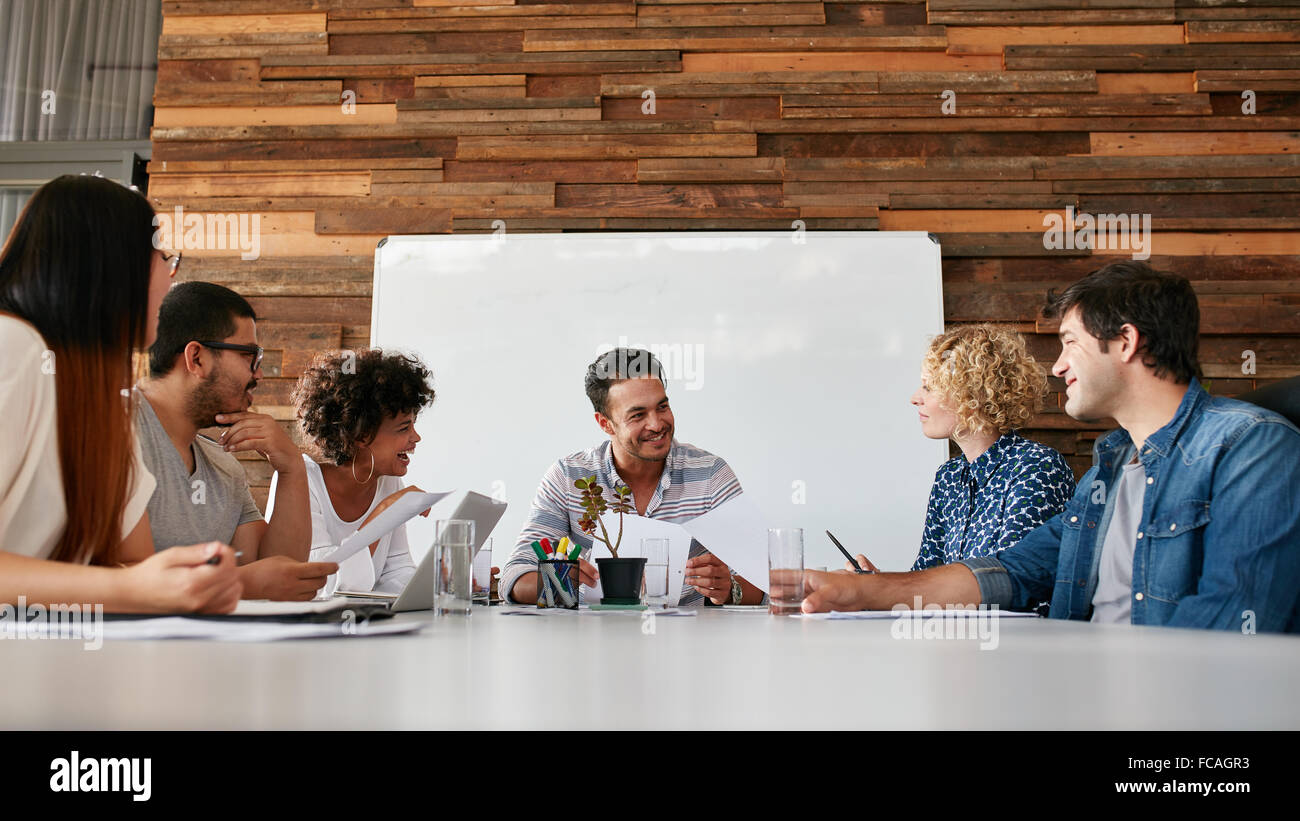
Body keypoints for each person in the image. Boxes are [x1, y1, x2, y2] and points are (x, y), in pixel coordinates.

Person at [804, 261, 1300, 633]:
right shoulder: (1108, 467)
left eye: (1069, 343)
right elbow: (1014, 572)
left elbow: (1233, 629)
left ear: (1125, 342)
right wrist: (862, 591)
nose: (1058, 367)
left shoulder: (1252, 447)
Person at [0, 175, 240, 612]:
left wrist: (182, 583)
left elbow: (129, 562)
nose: (170, 282)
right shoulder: (13, 346)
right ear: (111, 267)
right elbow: (126, 582)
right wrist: (135, 589)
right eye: (162, 258)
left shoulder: (105, 400)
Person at [500, 347, 765, 606]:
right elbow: (515, 576)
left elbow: (768, 581)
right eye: (638, 415)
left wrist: (730, 590)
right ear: (605, 423)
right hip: (590, 641)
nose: (657, 424)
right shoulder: (569, 476)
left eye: (662, 407)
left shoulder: (710, 474)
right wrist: (556, 582)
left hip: (687, 642)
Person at [135, 281, 336, 601]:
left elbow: (278, 576)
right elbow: (125, 577)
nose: (258, 375)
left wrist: (292, 468)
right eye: (250, 357)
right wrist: (243, 583)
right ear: (197, 358)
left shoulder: (224, 468)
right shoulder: (116, 431)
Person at [848, 325, 1074, 577]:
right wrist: (876, 583)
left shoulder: (1036, 467)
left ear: (971, 394)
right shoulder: (948, 477)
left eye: (929, 387)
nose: (914, 398)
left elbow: (1014, 581)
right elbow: (926, 576)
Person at [281, 348, 471, 595]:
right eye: (404, 428)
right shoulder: (299, 480)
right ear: (361, 434)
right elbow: (321, 585)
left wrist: (446, 583)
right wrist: (385, 513)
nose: (416, 437)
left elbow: (395, 572)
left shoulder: (388, 481)